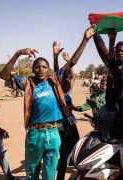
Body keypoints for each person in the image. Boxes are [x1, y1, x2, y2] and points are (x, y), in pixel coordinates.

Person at [0, 25, 95, 180]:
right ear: (33, 70)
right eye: (37, 67)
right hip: (34, 133)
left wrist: (85, 39)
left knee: (50, 173)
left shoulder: (55, 80)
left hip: (53, 132)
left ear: (49, 69)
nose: (41, 69)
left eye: (44, 67)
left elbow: (74, 61)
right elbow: (4, 75)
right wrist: (18, 53)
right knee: (32, 171)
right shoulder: (28, 83)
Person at [52, 41, 80, 180]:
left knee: (77, 145)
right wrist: (55, 56)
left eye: (67, 81)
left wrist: (69, 63)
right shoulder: (58, 93)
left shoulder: (69, 92)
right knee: (63, 154)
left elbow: (73, 77)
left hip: (70, 125)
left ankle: (73, 166)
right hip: (60, 126)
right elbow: (58, 74)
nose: (67, 81)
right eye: (64, 81)